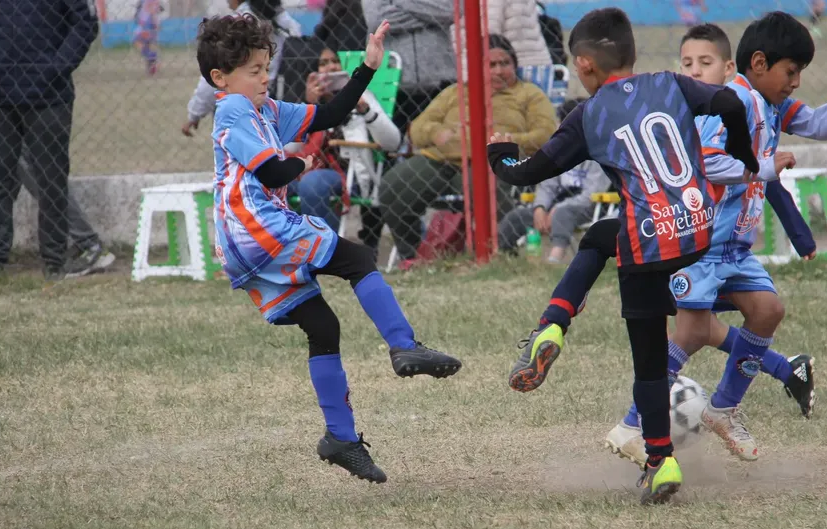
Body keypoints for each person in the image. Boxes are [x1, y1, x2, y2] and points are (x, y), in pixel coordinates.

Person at [488, 8, 760, 504]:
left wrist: (498, 155)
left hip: (647, 245)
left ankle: (659, 459)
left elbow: (528, 173)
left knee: (650, 365)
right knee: (599, 237)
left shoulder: (589, 115)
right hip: (697, 230)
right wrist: (746, 159)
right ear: (632, 52)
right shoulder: (672, 84)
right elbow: (730, 103)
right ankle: (556, 321)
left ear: (586, 65)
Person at [197, 14, 461, 484]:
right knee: (359, 258)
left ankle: (340, 438)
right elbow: (273, 174)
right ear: (220, 78)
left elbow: (331, 114)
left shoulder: (265, 110)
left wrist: (367, 69)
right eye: (253, 70)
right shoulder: (233, 110)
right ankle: (404, 347)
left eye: (264, 67)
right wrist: (299, 159)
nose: (263, 77)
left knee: (323, 326)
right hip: (257, 227)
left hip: (241, 243)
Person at [606, 22, 822, 466]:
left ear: (727, 67)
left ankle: (725, 408)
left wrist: (800, 235)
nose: (695, 71)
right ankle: (632, 422)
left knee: (764, 311)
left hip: (732, 251)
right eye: (687, 64)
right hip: (694, 244)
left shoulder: (751, 108)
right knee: (691, 332)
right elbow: (715, 169)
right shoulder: (708, 116)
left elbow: (770, 178)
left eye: (704, 63)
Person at [0, 0, 99, 280]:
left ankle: (55, 262)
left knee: (51, 180)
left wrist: (58, 67)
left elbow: (84, 23)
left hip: (50, 98)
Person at [379, 35, 558, 268]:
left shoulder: (528, 94)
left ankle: (498, 254)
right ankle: (413, 256)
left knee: (489, 183)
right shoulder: (456, 92)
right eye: (490, 65)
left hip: (491, 161)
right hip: (442, 160)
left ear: (515, 65)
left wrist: (506, 141)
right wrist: (435, 133)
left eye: (504, 63)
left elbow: (545, 133)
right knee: (395, 185)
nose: (498, 71)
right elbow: (418, 128)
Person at [286, 47, 402, 233]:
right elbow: (291, 148)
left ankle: (326, 250)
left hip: (351, 174)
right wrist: (308, 106)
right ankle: (287, 247)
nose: (331, 67)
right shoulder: (306, 102)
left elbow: (393, 142)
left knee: (312, 183)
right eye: (323, 64)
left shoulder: (361, 95)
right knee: (268, 179)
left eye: (335, 61)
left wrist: (366, 111)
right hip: (307, 167)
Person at [496, 100, 611, 261]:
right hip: (554, 204)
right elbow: (547, 185)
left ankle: (555, 258)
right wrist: (540, 207)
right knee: (517, 216)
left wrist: (558, 208)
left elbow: (592, 193)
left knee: (563, 214)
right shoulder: (560, 150)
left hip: (588, 206)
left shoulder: (600, 153)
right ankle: (504, 255)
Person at [182, 0, 302, 138]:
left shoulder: (236, 29)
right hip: (280, 104)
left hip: (242, 110)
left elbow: (211, 79)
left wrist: (194, 114)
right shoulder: (288, 24)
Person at [361, 0, 456, 135]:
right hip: (392, 84)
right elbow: (377, 19)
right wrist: (428, 16)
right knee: (393, 149)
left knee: (441, 146)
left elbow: (450, 10)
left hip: (441, 80)